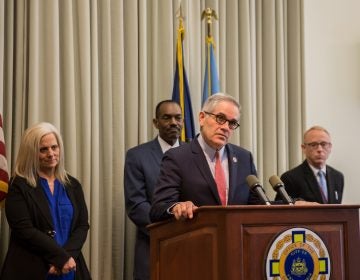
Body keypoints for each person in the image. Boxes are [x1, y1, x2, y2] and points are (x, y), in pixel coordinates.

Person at [150, 93, 261, 223]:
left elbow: (258, 204)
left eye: (232, 123)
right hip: (197, 239)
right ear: (202, 118)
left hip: (237, 240)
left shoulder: (244, 158)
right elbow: (158, 208)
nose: (225, 127)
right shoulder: (177, 157)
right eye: (220, 118)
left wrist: (288, 204)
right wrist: (177, 207)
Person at [0, 122, 91, 280]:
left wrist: (66, 258)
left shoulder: (73, 185)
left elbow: (82, 225)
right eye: (43, 149)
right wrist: (60, 258)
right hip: (32, 267)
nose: (51, 154)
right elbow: (24, 230)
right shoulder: (18, 185)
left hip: (69, 268)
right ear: (31, 153)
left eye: (54, 147)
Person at [124, 100, 183, 280]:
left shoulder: (194, 153)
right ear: (155, 123)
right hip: (153, 247)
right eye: (167, 117)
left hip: (191, 246)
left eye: (178, 117)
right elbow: (136, 204)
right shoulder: (137, 156)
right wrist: (169, 231)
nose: (173, 122)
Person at [276, 126, 344, 204]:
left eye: (323, 144)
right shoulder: (290, 178)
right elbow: (280, 206)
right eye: (314, 145)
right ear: (303, 148)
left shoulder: (338, 176)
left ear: (330, 147)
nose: (320, 149)